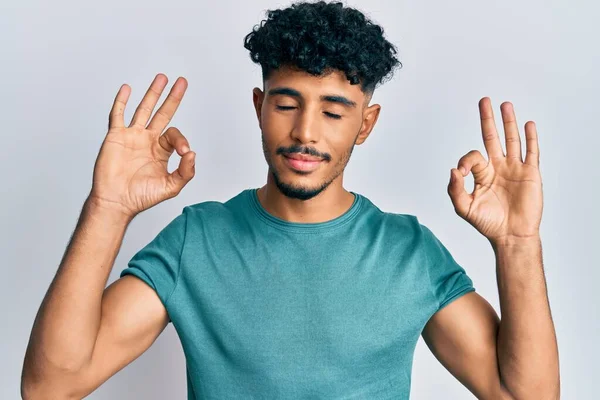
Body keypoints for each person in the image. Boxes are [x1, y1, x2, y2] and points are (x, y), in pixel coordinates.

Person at [21, 1, 560, 399]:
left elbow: (524, 395)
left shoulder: (408, 252)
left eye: (333, 111)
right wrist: (107, 209)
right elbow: (51, 385)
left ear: (365, 124)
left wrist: (518, 244)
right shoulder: (197, 240)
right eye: (286, 104)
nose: (306, 132)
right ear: (259, 106)